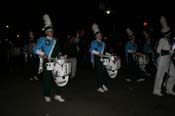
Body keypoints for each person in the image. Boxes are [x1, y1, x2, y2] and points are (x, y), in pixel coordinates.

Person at [33, 14, 66, 102]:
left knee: (60, 77)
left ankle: (57, 94)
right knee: (47, 79)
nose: (51, 32)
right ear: (46, 32)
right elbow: (35, 49)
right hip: (47, 61)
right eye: (50, 31)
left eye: (52, 31)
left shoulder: (56, 40)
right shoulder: (42, 39)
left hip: (56, 61)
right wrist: (42, 54)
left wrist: (62, 55)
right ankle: (47, 95)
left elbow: (58, 51)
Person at [153, 16, 175, 96]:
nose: (170, 34)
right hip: (162, 60)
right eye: (168, 33)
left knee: (174, 74)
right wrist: (169, 52)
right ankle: (156, 90)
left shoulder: (170, 42)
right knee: (160, 75)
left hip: (168, 60)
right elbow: (158, 50)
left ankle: (169, 89)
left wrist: (172, 54)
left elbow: (171, 52)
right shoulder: (162, 40)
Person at [89, 23, 110, 93]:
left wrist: (109, 55)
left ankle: (103, 84)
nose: (100, 36)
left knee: (104, 72)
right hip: (97, 59)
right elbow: (91, 50)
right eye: (98, 35)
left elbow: (105, 52)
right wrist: (98, 53)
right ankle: (99, 87)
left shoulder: (104, 43)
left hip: (103, 59)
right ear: (96, 36)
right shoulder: (93, 42)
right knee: (99, 73)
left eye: (100, 35)